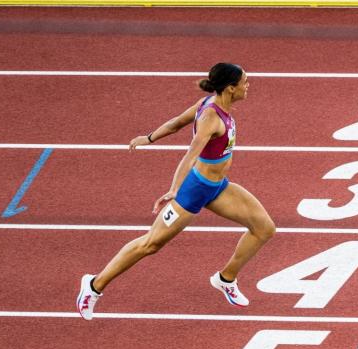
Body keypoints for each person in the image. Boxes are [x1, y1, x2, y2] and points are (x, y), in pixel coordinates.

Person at [76, 62, 276, 320]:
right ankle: (93, 286)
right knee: (150, 244)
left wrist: (148, 138)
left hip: (217, 187)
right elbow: (190, 154)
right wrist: (175, 189)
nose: (248, 85)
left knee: (264, 228)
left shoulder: (211, 103)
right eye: (245, 81)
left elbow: (175, 123)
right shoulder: (210, 118)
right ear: (230, 88)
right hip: (194, 190)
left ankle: (226, 278)